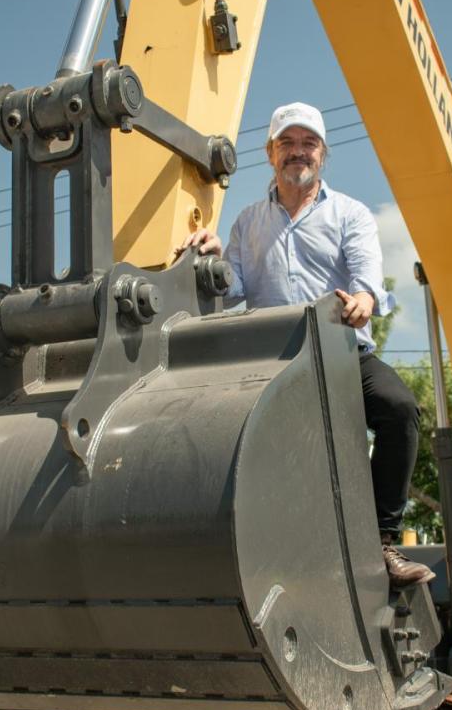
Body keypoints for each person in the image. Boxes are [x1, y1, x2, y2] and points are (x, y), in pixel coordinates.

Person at [176, 101, 432, 588]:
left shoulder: (350, 214)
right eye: (287, 144)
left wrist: (363, 299)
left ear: (323, 153)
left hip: (341, 356)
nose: (298, 152)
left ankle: (380, 542)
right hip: (275, 361)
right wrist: (209, 260)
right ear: (270, 153)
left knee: (399, 408)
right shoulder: (249, 223)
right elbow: (231, 290)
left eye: (308, 143)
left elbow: (368, 282)